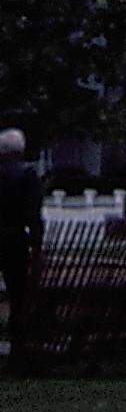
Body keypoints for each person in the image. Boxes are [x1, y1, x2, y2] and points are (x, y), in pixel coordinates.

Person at [0, 129, 44, 357]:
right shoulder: (27, 175)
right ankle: (18, 342)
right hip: (14, 239)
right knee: (18, 291)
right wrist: (37, 243)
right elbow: (32, 213)